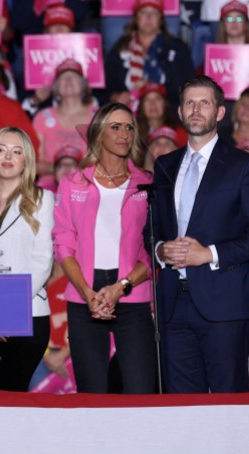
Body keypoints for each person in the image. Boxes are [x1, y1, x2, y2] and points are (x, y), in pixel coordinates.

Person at [151, 75, 249, 393]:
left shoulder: (244, 165)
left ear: (220, 113)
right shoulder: (164, 164)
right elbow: (149, 230)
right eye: (189, 102)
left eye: (204, 102)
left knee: (227, 406)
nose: (196, 109)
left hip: (225, 304)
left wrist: (210, 253)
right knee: (180, 411)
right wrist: (161, 251)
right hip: (172, 305)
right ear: (179, 112)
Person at [53, 102, 157, 394]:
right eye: (115, 127)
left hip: (132, 292)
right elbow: (63, 245)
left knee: (140, 392)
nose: (124, 134)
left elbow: (152, 251)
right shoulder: (73, 183)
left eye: (129, 127)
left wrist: (120, 287)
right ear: (98, 134)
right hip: (84, 294)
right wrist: (88, 293)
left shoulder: (147, 185)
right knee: (92, 394)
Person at [0, 127, 54, 391]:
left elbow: (43, 262)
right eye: (1, 149)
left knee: (10, 395)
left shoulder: (42, 200)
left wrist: (7, 311)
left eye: (16, 151)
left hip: (26, 316)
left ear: (26, 160)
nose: (8, 156)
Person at [104, 0, 193, 110]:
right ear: (136, 18)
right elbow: (107, 86)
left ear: (161, 20)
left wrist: (154, 92)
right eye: (143, 12)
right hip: (128, 112)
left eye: (154, 13)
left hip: (168, 114)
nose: (148, 17)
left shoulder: (178, 48)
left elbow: (187, 88)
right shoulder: (121, 47)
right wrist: (115, 97)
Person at [31, 59, 97, 176]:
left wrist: (75, 171)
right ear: (55, 88)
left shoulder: (100, 115)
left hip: (90, 182)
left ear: (84, 85)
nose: (68, 80)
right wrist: (60, 171)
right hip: (50, 185)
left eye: (74, 77)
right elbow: (33, 163)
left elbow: (108, 160)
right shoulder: (42, 118)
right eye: (63, 78)